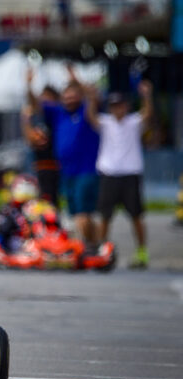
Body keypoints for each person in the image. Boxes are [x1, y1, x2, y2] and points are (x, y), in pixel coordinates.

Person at [85, 81, 154, 268]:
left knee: (136, 215)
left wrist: (146, 96)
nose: (118, 109)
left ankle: (141, 252)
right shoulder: (106, 122)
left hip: (130, 173)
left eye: (120, 105)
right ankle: (102, 250)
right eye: (114, 106)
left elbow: (147, 114)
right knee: (105, 216)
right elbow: (91, 117)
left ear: (126, 106)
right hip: (109, 173)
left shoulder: (133, 122)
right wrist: (92, 99)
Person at [29, 66, 100, 245]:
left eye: (73, 96)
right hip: (67, 172)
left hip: (86, 171)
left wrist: (74, 77)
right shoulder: (59, 113)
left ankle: (86, 247)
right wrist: (28, 85)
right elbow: (35, 105)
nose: (69, 99)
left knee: (81, 215)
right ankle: (97, 244)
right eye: (66, 96)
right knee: (79, 214)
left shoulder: (86, 111)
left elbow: (93, 94)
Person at [22, 70, 61, 206]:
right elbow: (29, 140)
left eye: (47, 97)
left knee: (51, 201)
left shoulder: (56, 114)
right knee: (37, 202)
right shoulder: (38, 118)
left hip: (53, 165)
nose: (43, 100)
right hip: (37, 164)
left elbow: (34, 102)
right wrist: (25, 120)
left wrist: (29, 85)